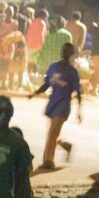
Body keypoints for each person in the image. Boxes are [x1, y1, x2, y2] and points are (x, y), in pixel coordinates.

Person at [30, 42, 82, 171]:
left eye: (68, 51)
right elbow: (47, 84)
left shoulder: (72, 72)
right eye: (64, 50)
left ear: (71, 55)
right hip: (53, 104)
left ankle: (48, 161)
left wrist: (79, 111)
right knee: (53, 134)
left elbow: (78, 92)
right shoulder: (53, 67)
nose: (65, 53)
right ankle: (65, 146)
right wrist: (34, 93)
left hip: (63, 106)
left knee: (52, 132)